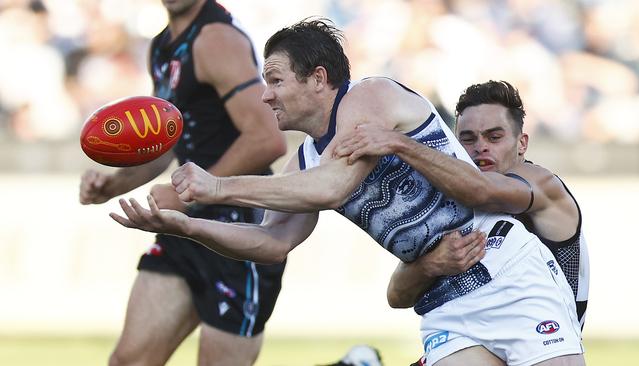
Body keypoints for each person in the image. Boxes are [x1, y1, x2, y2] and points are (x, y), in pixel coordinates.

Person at [110, 19, 585, 366]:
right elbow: (271, 243)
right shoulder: (303, 161)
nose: (265, 95)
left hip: (504, 270)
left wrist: (216, 186)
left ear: (318, 79)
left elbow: (333, 185)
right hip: (446, 301)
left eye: (275, 80)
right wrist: (187, 225)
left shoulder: (368, 97)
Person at [78, 1, 287, 365]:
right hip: (186, 227)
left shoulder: (216, 39)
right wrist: (113, 185)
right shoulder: (163, 45)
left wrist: (185, 193)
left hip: (239, 235)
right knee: (128, 361)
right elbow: (165, 143)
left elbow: (266, 138)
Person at [333, 80, 590, 364]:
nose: (480, 148)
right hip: (474, 344)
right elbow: (397, 295)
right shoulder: (454, 201)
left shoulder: (539, 184)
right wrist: (431, 264)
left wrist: (399, 143)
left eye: (494, 137)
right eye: (467, 139)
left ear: (522, 144)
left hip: (539, 340)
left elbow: (481, 189)